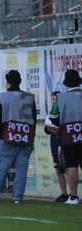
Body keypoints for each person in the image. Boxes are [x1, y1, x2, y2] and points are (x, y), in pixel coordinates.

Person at [0, 70, 37, 204]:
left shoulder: (2, 97)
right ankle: (18, 197)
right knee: (22, 168)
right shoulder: (30, 98)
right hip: (25, 137)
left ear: (7, 82)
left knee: (1, 168)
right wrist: (31, 138)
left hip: (8, 137)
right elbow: (33, 119)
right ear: (20, 82)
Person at [46, 70, 82, 205]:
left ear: (66, 84)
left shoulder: (61, 97)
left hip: (69, 135)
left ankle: (73, 197)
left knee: (71, 166)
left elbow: (53, 118)